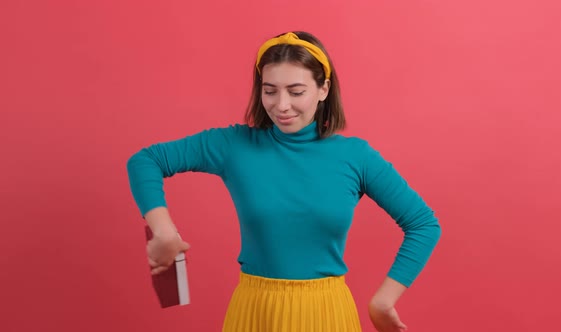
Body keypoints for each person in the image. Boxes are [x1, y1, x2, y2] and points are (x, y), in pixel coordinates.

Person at [127, 31, 441, 332]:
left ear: (323, 89)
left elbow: (423, 224)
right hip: (255, 311)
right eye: (269, 90)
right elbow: (145, 161)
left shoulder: (355, 156)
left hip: (326, 313)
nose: (281, 105)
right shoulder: (234, 145)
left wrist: (383, 302)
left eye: (296, 91)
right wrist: (164, 230)